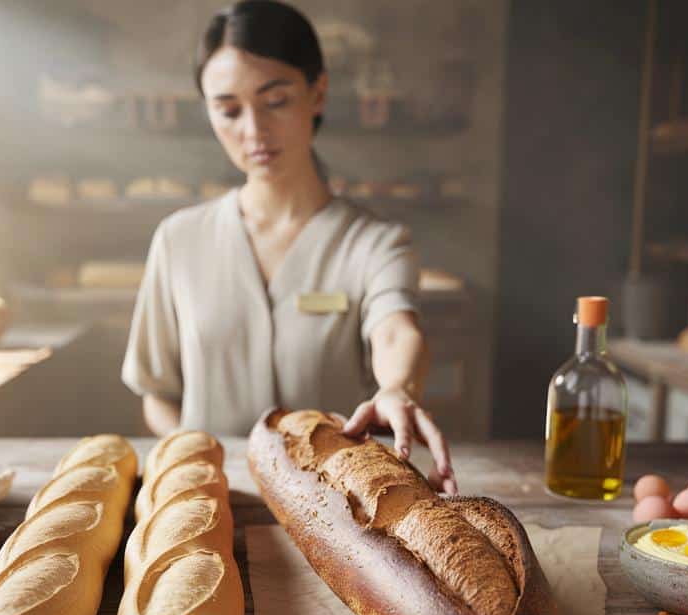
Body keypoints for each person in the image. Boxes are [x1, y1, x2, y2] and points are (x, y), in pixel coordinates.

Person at [121, 0, 456, 493]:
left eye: (275, 100)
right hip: (209, 500)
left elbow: (395, 331)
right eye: (228, 109)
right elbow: (158, 393)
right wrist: (192, 458)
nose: (253, 130)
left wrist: (396, 388)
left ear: (317, 93)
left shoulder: (376, 244)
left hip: (335, 504)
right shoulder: (178, 241)